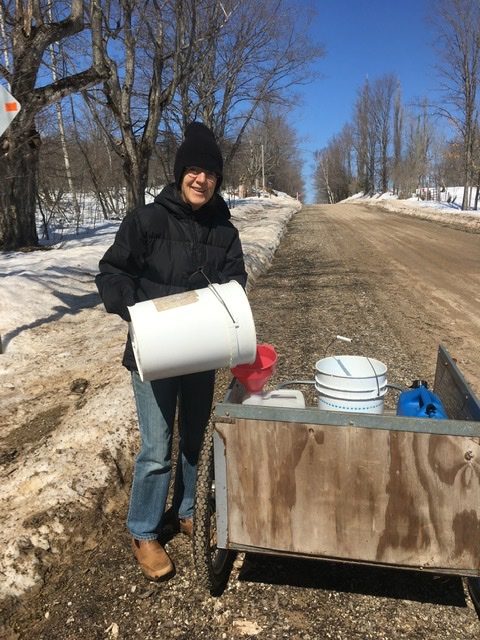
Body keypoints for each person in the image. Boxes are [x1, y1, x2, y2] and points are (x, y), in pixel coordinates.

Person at [95, 122, 247, 581]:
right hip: (154, 352)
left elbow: (236, 281)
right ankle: (143, 530)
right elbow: (111, 272)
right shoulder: (146, 221)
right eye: (194, 171)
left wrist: (224, 306)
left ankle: (185, 509)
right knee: (158, 447)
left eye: (210, 174)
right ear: (181, 173)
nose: (201, 180)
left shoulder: (224, 230)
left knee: (194, 439)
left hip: (200, 352)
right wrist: (134, 308)